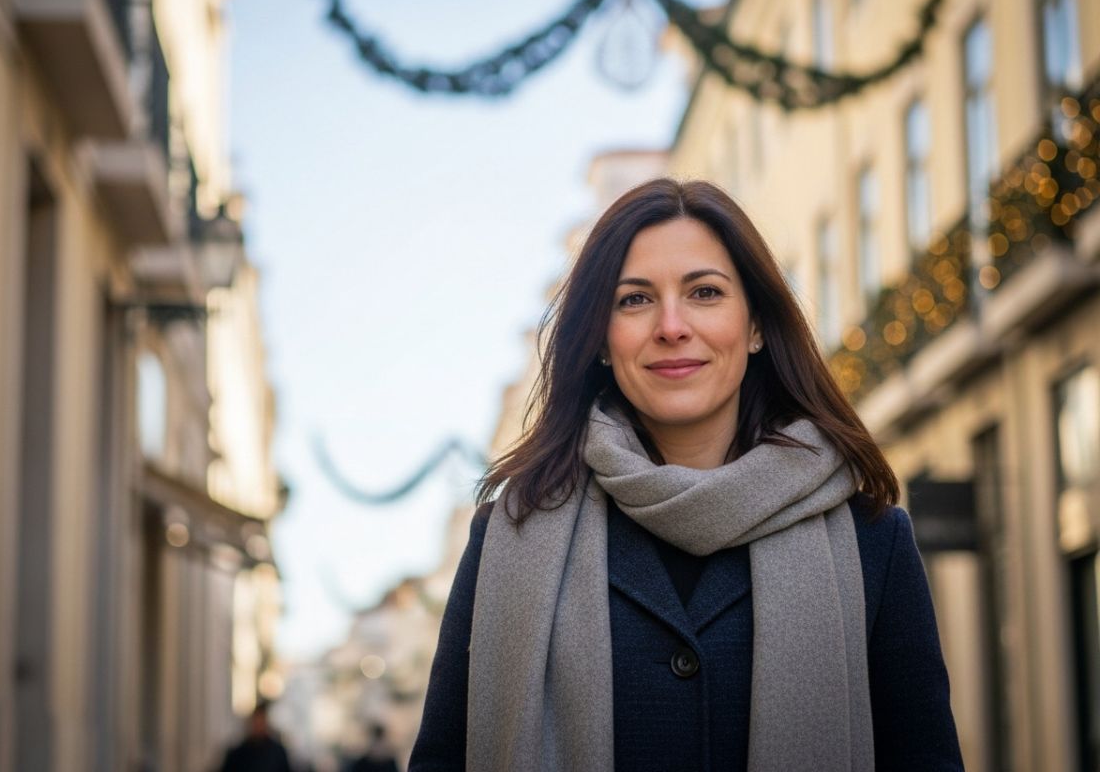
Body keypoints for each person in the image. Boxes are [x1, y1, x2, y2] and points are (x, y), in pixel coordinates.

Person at [408, 179, 964, 772]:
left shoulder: (873, 540)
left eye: (704, 292)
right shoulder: (508, 536)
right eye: (634, 300)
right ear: (600, 340)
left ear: (755, 328)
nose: (671, 326)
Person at [218, 701, 293, 772]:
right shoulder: (237, 754)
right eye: (256, 722)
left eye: (261, 722)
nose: (258, 726)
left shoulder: (278, 753)